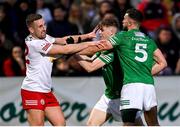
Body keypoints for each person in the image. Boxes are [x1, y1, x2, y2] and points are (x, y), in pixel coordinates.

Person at [21, 13, 99, 126]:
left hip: (46, 91)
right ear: (31, 30)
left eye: (44, 25)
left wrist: (88, 35)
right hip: (33, 91)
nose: (44, 29)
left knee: (60, 124)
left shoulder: (42, 37)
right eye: (40, 26)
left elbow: (64, 40)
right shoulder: (35, 43)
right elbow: (66, 50)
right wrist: (89, 44)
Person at [96, 8, 167, 126]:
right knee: (154, 124)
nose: (122, 20)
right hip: (148, 86)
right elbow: (163, 63)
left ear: (130, 22)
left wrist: (79, 48)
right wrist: (145, 73)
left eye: (124, 18)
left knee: (128, 123)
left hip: (131, 86)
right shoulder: (148, 39)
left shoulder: (123, 36)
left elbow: (103, 46)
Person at [76, 17, 144, 126]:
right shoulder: (106, 47)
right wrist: (72, 50)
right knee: (91, 124)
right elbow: (90, 59)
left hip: (124, 97)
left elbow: (90, 67)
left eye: (102, 30)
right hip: (110, 95)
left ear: (111, 31)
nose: (100, 34)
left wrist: (73, 52)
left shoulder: (115, 49)